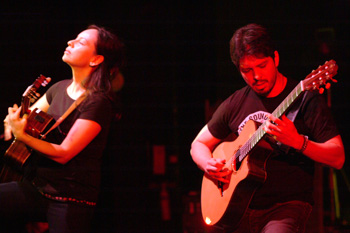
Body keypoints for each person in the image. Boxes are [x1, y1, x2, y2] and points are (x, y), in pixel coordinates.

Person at [190, 23, 345, 233]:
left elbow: (337, 157)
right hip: (238, 208)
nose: (256, 77)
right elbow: (198, 144)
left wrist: (299, 142)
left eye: (262, 66)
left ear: (276, 59)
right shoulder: (236, 102)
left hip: (286, 207)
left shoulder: (306, 99)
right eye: (247, 70)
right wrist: (207, 164)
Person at [0, 24, 125, 233]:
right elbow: (25, 118)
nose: (70, 42)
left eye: (81, 42)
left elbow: (64, 153)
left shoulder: (98, 102)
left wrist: (21, 133)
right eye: (73, 38)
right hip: (38, 187)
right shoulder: (58, 87)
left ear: (95, 59)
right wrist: (13, 123)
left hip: (70, 197)